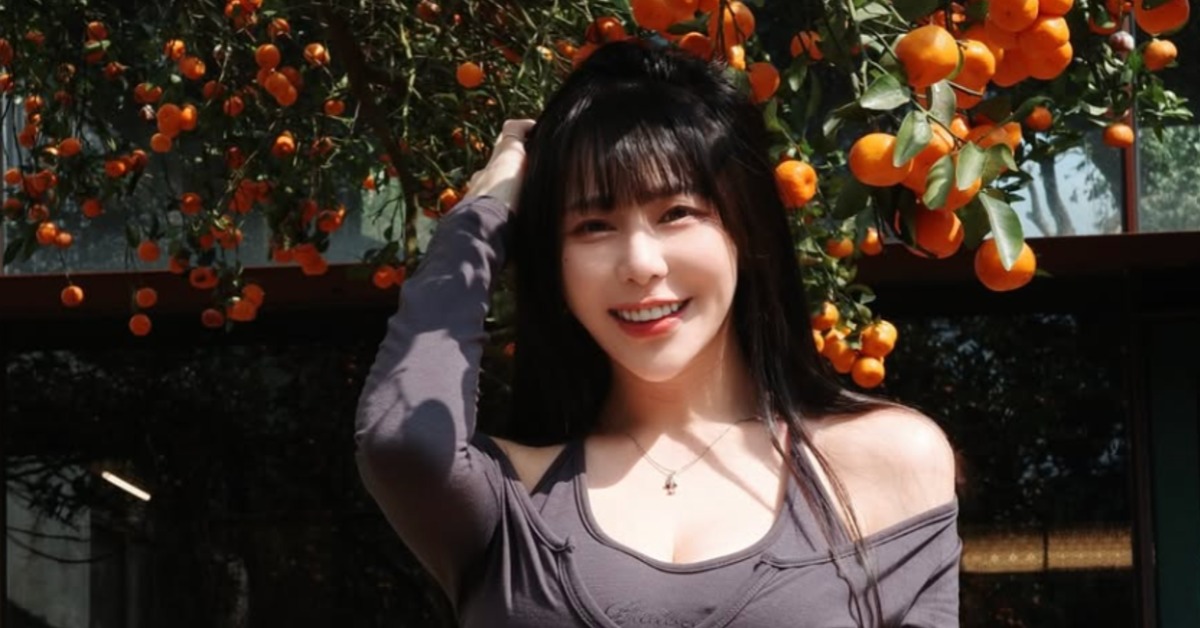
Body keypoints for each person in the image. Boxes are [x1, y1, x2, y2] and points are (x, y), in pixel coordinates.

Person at [355, 40, 959, 627]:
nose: (640, 264)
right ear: (553, 264)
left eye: (677, 213)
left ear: (745, 230)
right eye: (593, 225)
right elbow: (402, 440)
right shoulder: (514, 496)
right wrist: (483, 214)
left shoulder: (884, 461)